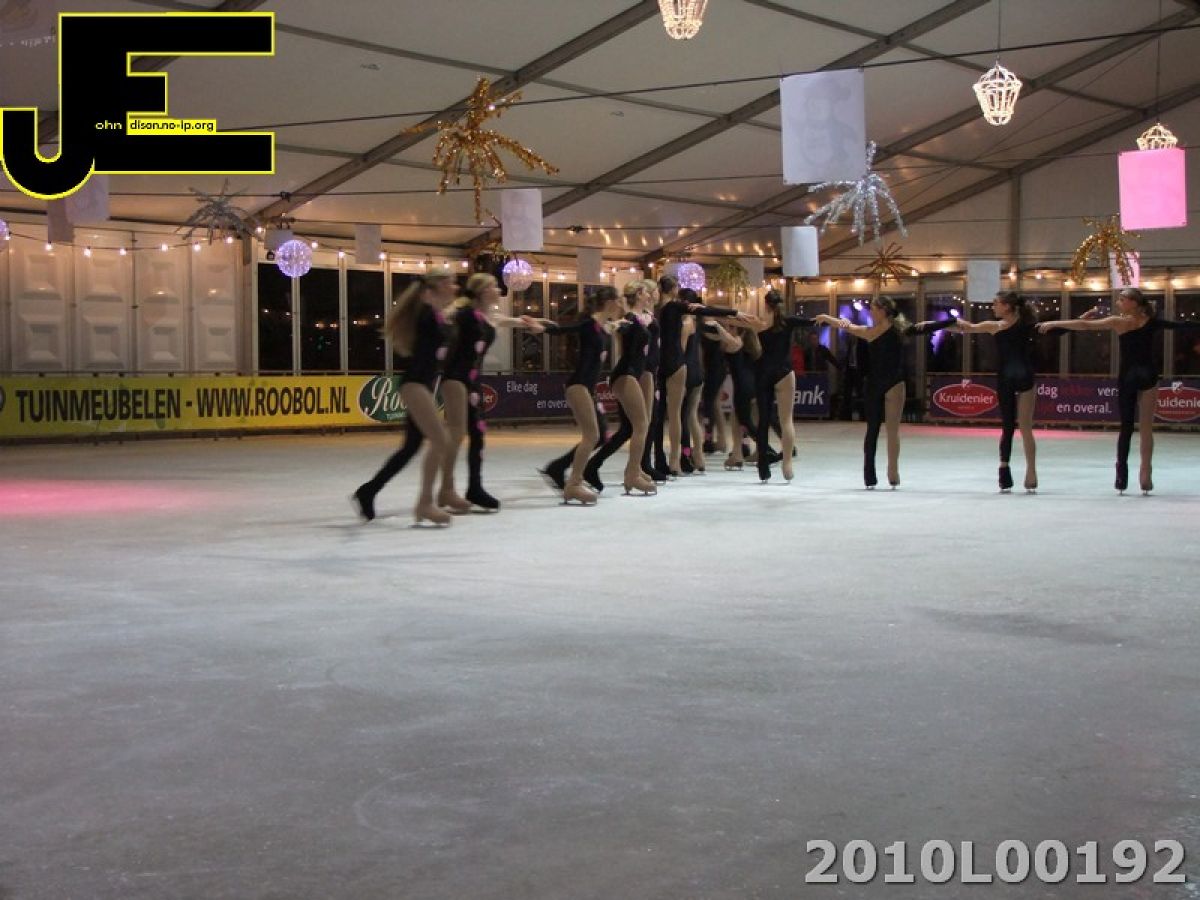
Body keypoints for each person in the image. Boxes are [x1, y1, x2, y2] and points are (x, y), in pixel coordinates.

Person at [1039, 287, 1195, 494]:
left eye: (1122, 299)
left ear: (1133, 303)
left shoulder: (1119, 322)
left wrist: (1055, 323)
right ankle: (1146, 471)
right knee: (1146, 429)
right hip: (1148, 375)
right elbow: (1181, 326)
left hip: (1129, 376)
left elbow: (1084, 325)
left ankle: (1122, 474)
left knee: (1126, 428)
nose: (1118, 303)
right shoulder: (1151, 321)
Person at [352, 275, 455, 526]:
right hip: (415, 385)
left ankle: (369, 490)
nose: (455, 287)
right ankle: (425, 504)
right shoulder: (427, 314)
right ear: (435, 289)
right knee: (441, 440)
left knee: (410, 448)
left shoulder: (435, 315)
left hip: (422, 385)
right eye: (450, 283)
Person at [439, 272, 540, 512]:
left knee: (477, 433)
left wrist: (535, 324)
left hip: (472, 381)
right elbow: (443, 320)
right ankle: (446, 489)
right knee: (456, 434)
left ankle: (474, 487)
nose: (498, 290)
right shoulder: (464, 314)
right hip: (456, 378)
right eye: (494, 286)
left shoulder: (488, 317)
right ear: (483, 291)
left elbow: (511, 321)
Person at [827, 297, 954, 489]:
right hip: (873, 384)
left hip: (894, 382)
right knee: (872, 430)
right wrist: (826, 318)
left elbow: (924, 328)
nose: (870, 312)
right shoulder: (869, 331)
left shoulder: (900, 329)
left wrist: (952, 321)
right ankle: (869, 474)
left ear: (883, 310)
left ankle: (893, 470)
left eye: (872, 309)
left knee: (892, 430)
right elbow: (846, 326)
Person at [533, 286, 623, 505]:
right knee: (592, 436)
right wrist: (541, 328)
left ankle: (558, 467)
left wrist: (618, 324)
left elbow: (614, 326)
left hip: (588, 389)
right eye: (619, 301)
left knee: (602, 436)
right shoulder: (589, 324)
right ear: (610, 302)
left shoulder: (603, 327)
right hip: (578, 386)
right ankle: (574, 484)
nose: (621, 305)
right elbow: (563, 329)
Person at [741, 291, 839, 482]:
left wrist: (709, 314)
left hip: (764, 373)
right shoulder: (788, 321)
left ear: (765, 305)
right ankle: (787, 464)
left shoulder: (759, 322)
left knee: (763, 422)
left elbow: (734, 320)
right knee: (786, 421)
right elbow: (814, 322)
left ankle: (763, 468)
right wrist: (829, 318)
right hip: (784, 372)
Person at [655, 283, 745, 476]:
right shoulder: (698, 323)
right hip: (698, 372)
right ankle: (698, 456)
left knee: (682, 417)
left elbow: (680, 348)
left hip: (685, 370)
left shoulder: (686, 322)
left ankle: (683, 457)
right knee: (692, 416)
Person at [952, 292, 1038, 492]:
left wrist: (1078, 320)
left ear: (1007, 306)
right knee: (1007, 426)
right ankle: (1004, 469)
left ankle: (1031, 471)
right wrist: (940, 324)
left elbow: (1055, 329)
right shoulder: (994, 326)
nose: (993, 307)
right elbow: (968, 328)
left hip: (1025, 378)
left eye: (996, 303)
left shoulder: (1027, 325)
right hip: (1005, 379)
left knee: (1025, 427)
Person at [583, 281, 656, 495]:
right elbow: (619, 326)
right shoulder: (629, 318)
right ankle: (632, 475)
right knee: (641, 425)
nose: (650, 295)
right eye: (646, 292)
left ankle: (631, 470)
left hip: (632, 374)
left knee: (634, 427)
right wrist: (613, 325)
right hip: (625, 374)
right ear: (639, 294)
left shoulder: (640, 317)